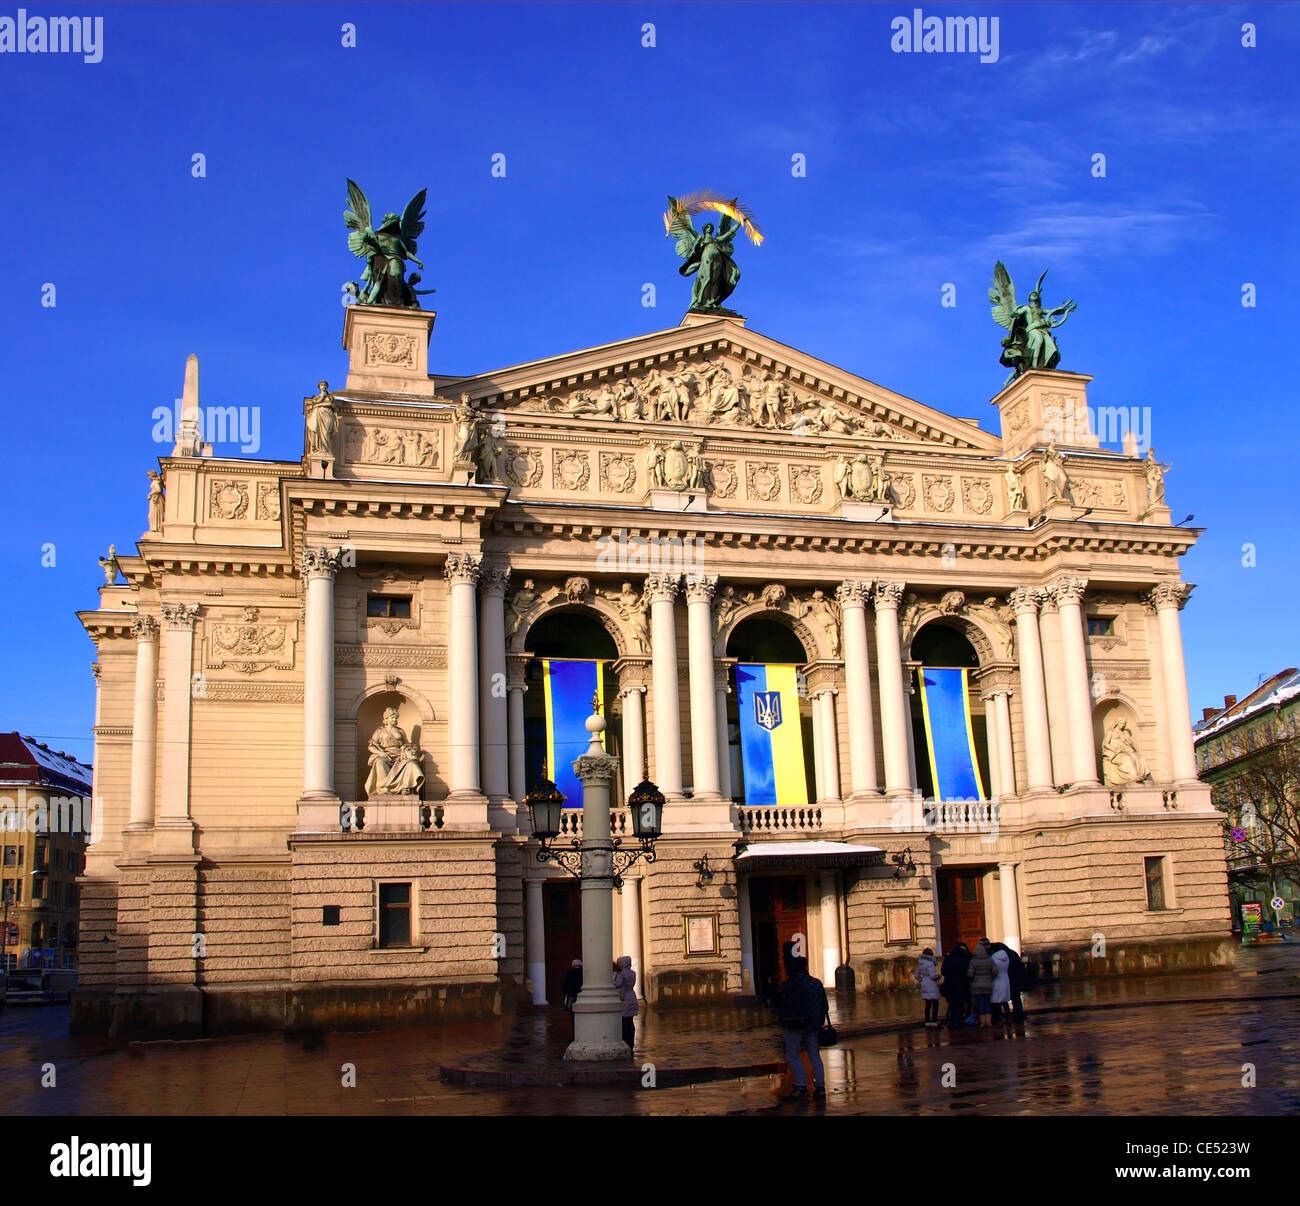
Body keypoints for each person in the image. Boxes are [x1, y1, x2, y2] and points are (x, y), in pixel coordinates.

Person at [777, 952, 829, 1101]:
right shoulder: (816, 982)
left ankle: (801, 1086)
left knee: (792, 1054)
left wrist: (782, 1021)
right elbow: (824, 1005)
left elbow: (784, 1005)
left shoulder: (791, 983)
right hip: (813, 1024)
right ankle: (820, 1087)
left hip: (796, 1024)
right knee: (814, 1054)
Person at [940, 942, 972, 1028]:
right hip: (961, 986)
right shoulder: (964, 958)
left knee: (952, 1004)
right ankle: (957, 1021)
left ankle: (951, 1022)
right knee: (959, 1005)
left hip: (950, 985)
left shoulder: (949, 958)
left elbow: (943, 971)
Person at [967, 940, 995, 1025]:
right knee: (987, 1003)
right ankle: (988, 1021)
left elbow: (970, 974)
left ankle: (983, 1022)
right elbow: (995, 971)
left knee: (980, 1004)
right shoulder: (990, 960)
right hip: (988, 985)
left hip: (977, 985)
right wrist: (990, 977)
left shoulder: (973, 961)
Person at [614, 955, 638, 1050]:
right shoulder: (633, 973)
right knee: (630, 1021)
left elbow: (617, 984)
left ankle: (626, 1040)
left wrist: (613, 978)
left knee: (624, 1021)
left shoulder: (622, 974)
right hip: (632, 995)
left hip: (624, 997)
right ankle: (631, 1040)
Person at [914, 948, 942, 1028]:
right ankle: (934, 1021)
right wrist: (939, 976)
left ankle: (927, 1021)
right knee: (935, 1004)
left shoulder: (921, 963)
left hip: (924, 984)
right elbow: (932, 976)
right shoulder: (930, 963)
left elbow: (916, 975)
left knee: (928, 1005)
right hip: (931, 984)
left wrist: (922, 980)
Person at [989, 942, 1011, 1023]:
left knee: (997, 1000)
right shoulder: (1006, 956)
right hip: (1005, 978)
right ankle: (1008, 1016)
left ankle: (999, 1016)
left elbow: (993, 970)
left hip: (996, 979)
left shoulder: (993, 958)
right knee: (1004, 1001)